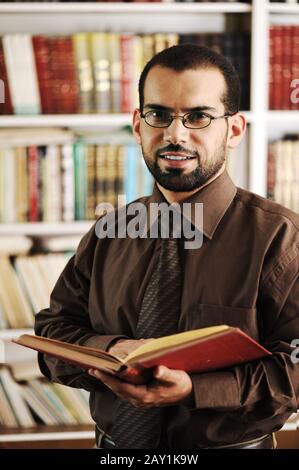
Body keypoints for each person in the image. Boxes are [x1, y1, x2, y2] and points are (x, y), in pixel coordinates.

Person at [35, 44, 299, 450]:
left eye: (198, 116)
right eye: (159, 115)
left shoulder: (282, 239)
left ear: (233, 131)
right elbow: (53, 333)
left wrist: (197, 388)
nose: (175, 134)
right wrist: (111, 351)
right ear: (138, 126)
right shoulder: (109, 233)